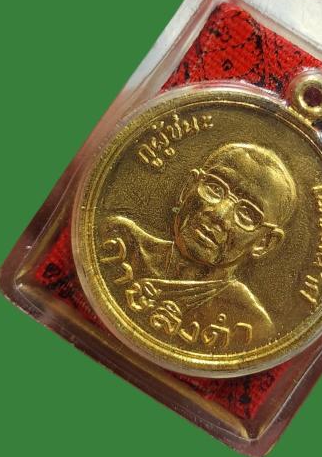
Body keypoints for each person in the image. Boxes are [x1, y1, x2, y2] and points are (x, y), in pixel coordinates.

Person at [104, 143, 297, 346]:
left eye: (247, 214)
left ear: (264, 243)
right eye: (215, 188)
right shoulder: (121, 242)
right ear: (188, 188)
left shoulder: (250, 323)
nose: (218, 214)